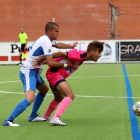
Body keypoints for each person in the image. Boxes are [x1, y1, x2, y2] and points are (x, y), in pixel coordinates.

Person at [3, 22, 78, 127]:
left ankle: (33, 116)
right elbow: (51, 63)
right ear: (50, 31)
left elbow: (58, 44)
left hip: (35, 72)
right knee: (30, 98)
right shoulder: (46, 42)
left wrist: (71, 46)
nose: (58, 33)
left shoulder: (46, 39)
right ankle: (9, 120)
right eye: (56, 31)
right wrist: (66, 65)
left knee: (44, 90)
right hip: (29, 72)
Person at [35, 41, 103, 126]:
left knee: (59, 98)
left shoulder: (82, 57)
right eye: (99, 52)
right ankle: (55, 118)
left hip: (54, 74)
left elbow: (61, 58)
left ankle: (46, 116)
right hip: (54, 74)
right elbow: (60, 53)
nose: (100, 55)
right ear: (92, 51)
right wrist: (42, 59)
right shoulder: (79, 55)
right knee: (70, 95)